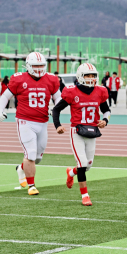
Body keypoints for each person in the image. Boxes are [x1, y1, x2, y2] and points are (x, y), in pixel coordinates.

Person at [0, 52, 61, 195]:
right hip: (25, 121)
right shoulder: (19, 79)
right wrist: (0, 111)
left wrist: (55, 109)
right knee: (30, 154)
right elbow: (5, 96)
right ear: (28, 66)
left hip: (43, 121)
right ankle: (31, 185)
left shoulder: (51, 79)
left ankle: (21, 168)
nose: (39, 69)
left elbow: (59, 98)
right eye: (35, 66)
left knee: (37, 158)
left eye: (41, 65)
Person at [52, 63, 111, 206]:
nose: (91, 78)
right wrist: (58, 125)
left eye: (93, 75)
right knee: (82, 163)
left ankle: (71, 172)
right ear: (80, 76)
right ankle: (85, 196)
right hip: (77, 131)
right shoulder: (72, 91)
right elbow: (56, 110)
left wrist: (105, 120)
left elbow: (107, 110)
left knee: (88, 165)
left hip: (92, 131)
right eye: (87, 75)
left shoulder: (100, 91)